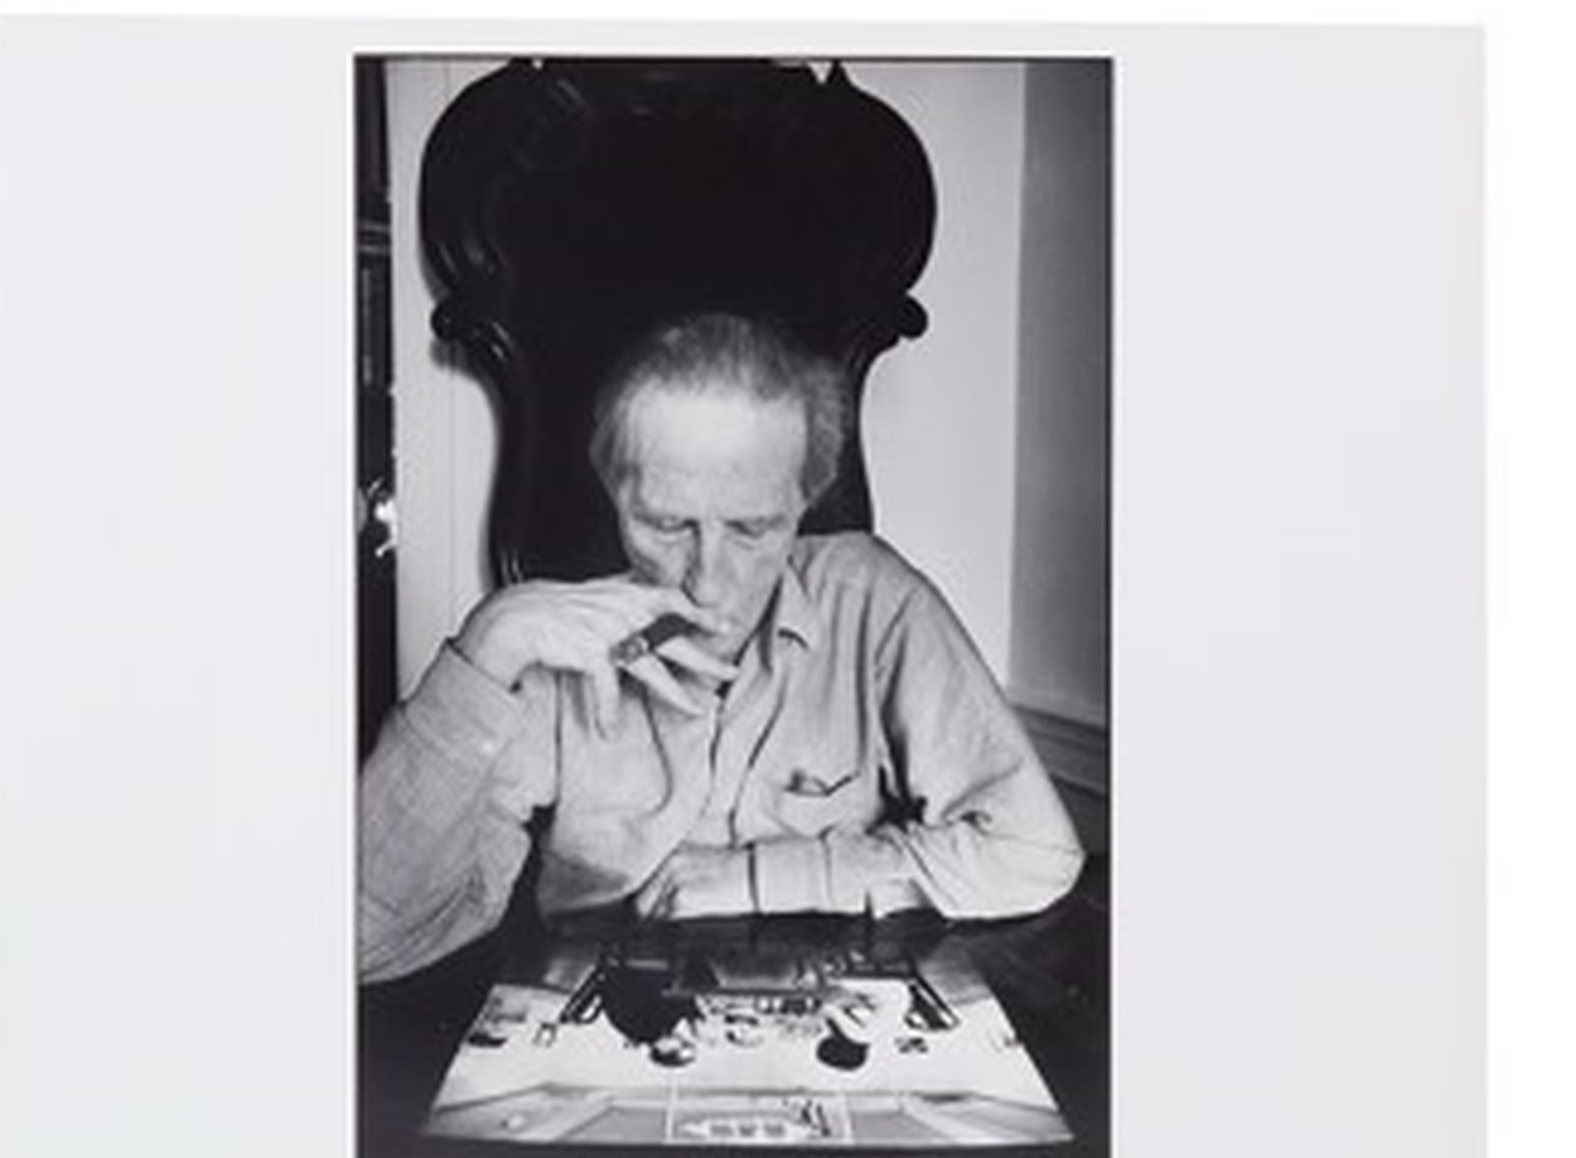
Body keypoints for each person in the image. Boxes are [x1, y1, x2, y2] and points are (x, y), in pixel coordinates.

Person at [358, 314, 1082, 982]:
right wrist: (489, 642)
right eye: (667, 525)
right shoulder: (555, 649)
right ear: (615, 495)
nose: (708, 584)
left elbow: (1033, 853)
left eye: (753, 529)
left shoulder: (877, 602)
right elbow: (365, 940)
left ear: (805, 500)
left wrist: (766, 877)